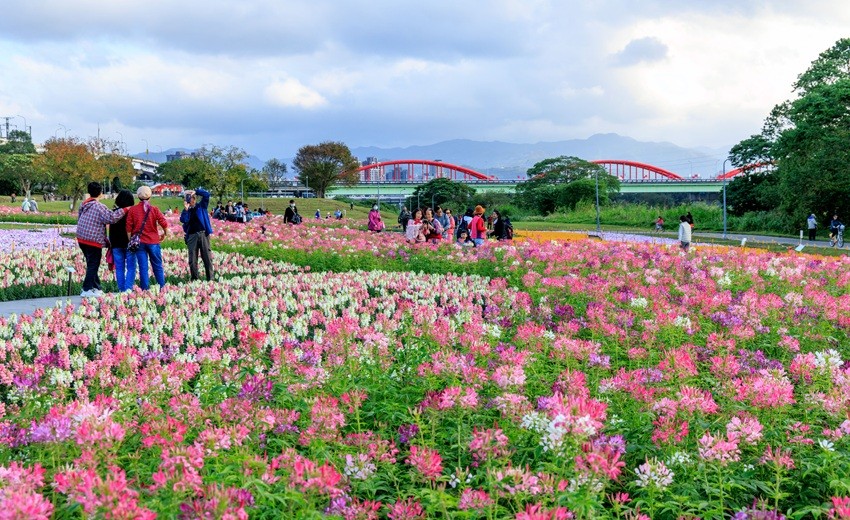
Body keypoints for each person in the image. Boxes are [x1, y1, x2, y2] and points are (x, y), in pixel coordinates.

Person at [76, 182, 131, 298]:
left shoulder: (83, 204)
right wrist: (126, 209)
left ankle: (97, 288)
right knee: (93, 264)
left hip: (81, 237)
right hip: (92, 240)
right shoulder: (99, 207)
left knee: (91, 263)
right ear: (101, 193)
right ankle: (86, 289)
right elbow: (112, 218)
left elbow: (80, 218)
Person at [126, 186, 169, 290]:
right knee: (157, 266)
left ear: (138, 197)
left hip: (139, 242)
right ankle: (162, 288)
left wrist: (131, 240)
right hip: (153, 241)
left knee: (143, 267)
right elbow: (164, 223)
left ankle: (145, 290)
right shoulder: (154, 209)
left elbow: (128, 228)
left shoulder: (133, 210)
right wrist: (165, 234)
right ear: (150, 196)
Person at [180, 188, 214, 282]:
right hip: (191, 236)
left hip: (203, 234)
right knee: (192, 259)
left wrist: (196, 191)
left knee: (207, 257)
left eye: (189, 198)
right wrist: (186, 210)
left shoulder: (201, 207)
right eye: (185, 198)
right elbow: (184, 220)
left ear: (194, 199)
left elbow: (206, 194)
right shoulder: (186, 211)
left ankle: (210, 279)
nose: (186, 200)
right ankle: (194, 279)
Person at [108, 190, 135, 292]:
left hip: (116, 245)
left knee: (119, 268)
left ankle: (121, 289)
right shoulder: (132, 213)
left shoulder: (115, 212)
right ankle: (128, 289)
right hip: (129, 243)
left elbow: (111, 231)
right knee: (131, 267)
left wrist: (111, 244)